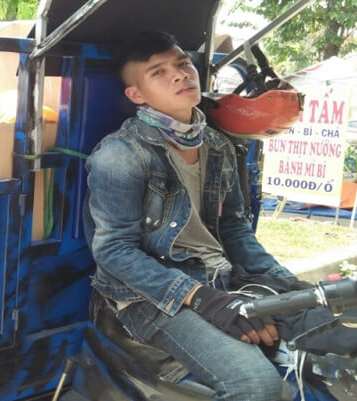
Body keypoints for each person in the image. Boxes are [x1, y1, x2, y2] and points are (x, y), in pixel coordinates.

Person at [83, 31, 304, 401]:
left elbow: (234, 228)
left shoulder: (216, 145)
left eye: (183, 64)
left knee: (334, 348)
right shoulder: (120, 155)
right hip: (146, 300)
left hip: (221, 280)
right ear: (136, 95)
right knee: (256, 386)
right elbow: (114, 252)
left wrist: (287, 283)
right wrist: (204, 299)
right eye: (159, 72)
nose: (180, 75)